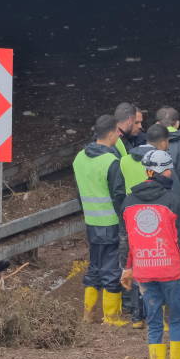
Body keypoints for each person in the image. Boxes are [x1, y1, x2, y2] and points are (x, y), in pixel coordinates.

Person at [119, 150, 180, 359]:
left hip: (144, 271)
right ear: (165, 172)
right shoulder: (172, 200)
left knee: (154, 322)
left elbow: (126, 240)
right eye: (168, 171)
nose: (169, 174)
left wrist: (126, 268)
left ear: (147, 172)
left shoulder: (129, 202)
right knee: (176, 320)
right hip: (171, 272)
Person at [72, 115, 127, 326]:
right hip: (111, 223)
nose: (120, 135)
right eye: (118, 132)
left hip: (91, 222)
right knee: (113, 268)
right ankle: (111, 317)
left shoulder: (79, 158)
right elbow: (118, 196)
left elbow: (78, 193)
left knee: (95, 266)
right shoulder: (111, 162)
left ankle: (88, 314)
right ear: (112, 133)